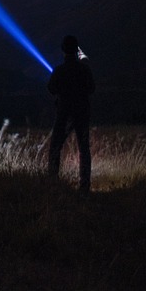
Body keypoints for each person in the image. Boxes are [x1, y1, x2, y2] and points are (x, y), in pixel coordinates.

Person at [47, 35, 95, 192]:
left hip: (64, 113)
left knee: (55, 147)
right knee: (84, 148)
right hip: (82, 112)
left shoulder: (60, 70)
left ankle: (53, 183)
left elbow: (51, 88)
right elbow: (92, 88)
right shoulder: (84, 69)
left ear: (63, 50)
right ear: (76, 50)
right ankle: (84, 186)